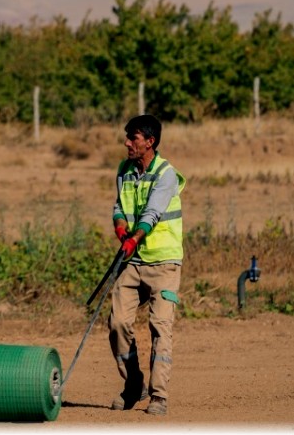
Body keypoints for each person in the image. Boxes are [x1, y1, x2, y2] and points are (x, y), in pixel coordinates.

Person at [108, 114, 184, 416]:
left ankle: (158, 396)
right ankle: (134, 385)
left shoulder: (166, 174)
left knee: (159, 328)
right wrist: (118, 224)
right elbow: (119, 205)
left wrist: (134, 236)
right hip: (133, 261)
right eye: (127, 137)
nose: (127, 142)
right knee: (117, 324)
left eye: (133, 138)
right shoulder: (124, 170)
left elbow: (152, 212)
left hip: (164, 262)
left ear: (150, 142)